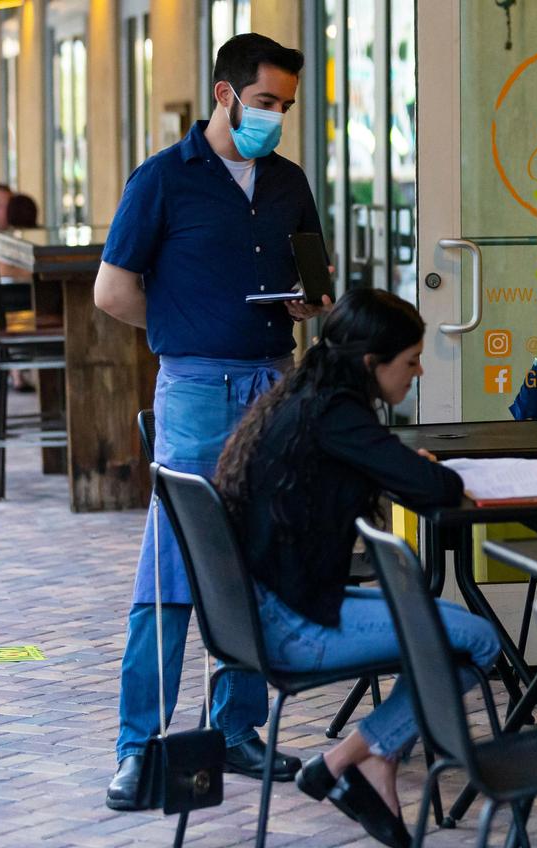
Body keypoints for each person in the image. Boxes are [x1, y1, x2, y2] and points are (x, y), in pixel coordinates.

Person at [95, 33, 330, 810]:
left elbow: (314, 282)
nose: (276, 117)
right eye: (265, 102)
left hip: (273, 385)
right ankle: (138, 747)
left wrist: (310, 302)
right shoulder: (164, 178)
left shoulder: (289, 181)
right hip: (195, 388)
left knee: (257, 560)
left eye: (285, 106)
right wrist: (184, 328)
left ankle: (235, 728)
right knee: (171, 567)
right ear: (225, 94)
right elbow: (112, 292)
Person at [215, 289, 500, 848]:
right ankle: (350, 759)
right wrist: (413, 467)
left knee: (448, 635)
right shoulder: (338, 415)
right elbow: (435, 488)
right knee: (477, 642)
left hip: (268, 610)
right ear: (371, 362)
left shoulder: (307, 397)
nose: (419, 373)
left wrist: (399, 465)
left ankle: (366, 760)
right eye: (411, 361)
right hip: (292, 626)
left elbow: (399, 474)